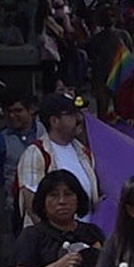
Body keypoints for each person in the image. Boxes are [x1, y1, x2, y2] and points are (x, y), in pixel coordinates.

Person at [0, 93, 45, 253]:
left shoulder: (47, 130)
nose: (13, 116)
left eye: (18, 111)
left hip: (49, 202)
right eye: (9, 112)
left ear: (31, 110)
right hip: (17, 208)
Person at [17, 93, 100, 222]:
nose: (79, 118)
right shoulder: (36, 153)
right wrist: (57, 239)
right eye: (71, 114)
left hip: (85, 236)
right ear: (54, 121)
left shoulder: (84, 152)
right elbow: (33, 207)